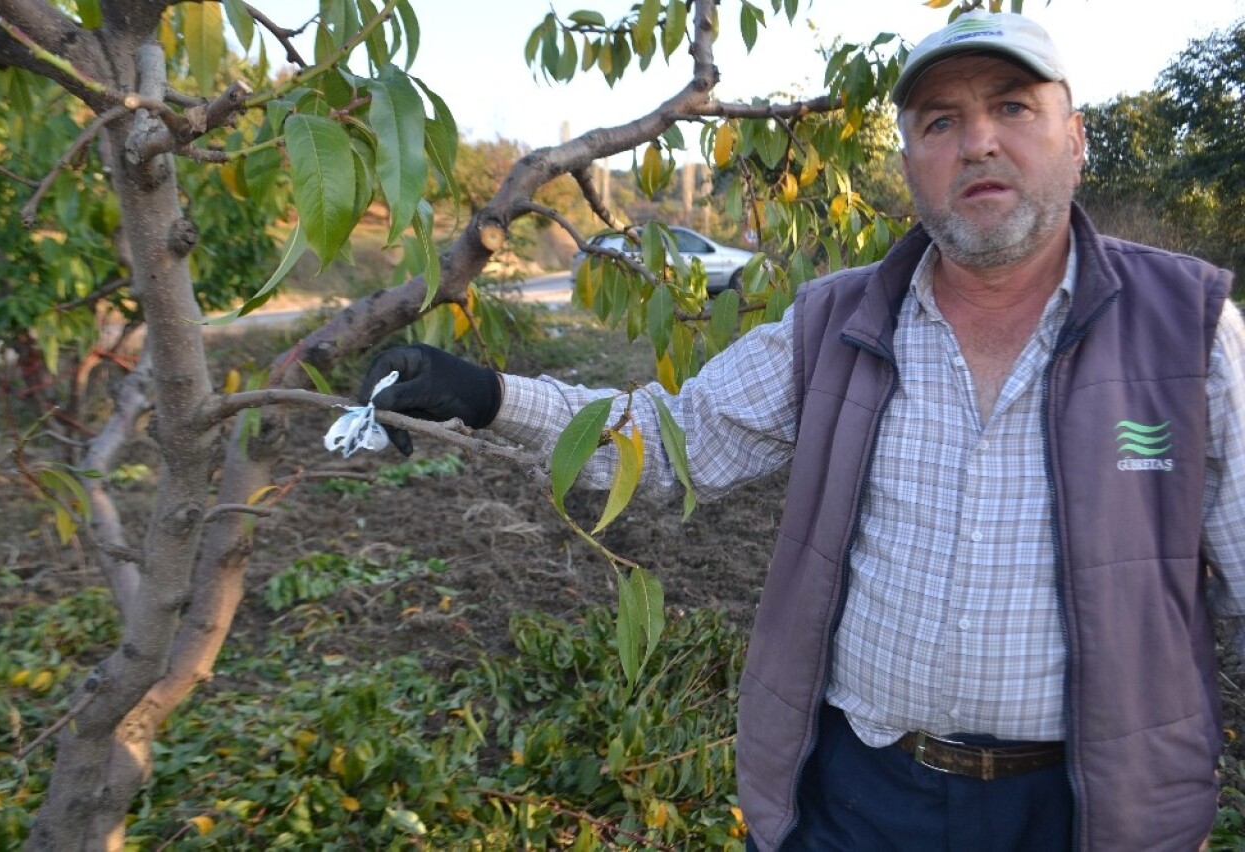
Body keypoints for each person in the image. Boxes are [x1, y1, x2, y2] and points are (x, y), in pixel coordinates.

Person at [358, 10, 1243, 850]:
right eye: (940, 121)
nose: (977, 140)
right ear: (909, 164)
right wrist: (485, 395)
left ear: (1076, 139)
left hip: (1090, 812)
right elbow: (675, 439)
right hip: (863, 798)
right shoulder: (836, 323)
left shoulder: (1192, 331)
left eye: (1013, 107)